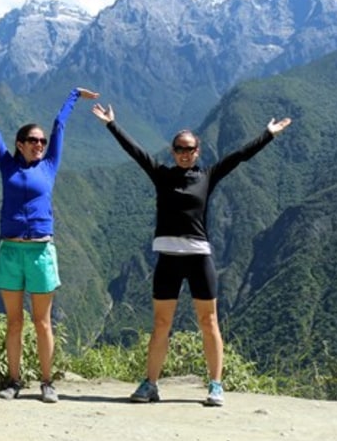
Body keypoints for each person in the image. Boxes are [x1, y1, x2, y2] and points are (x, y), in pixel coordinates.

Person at [90, 102, 292, 406]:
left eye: (190, 148)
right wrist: (111, 125)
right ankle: (150, 384)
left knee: (209, 322)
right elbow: (136, 152)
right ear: (173, 152)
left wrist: (268, 134)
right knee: (161, 324)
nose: (185, 153)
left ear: (198, 151)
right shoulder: (161, 175)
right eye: (179, 148)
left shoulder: (207, 176)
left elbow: (239, 157)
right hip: (168, 258)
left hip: (199, 257)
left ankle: (215, 385)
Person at [0, 87, 100, 403]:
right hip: (12, 251)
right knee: (14, 323)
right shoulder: (7, 165)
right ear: (20, 144)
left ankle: (47, 382)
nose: (40, 145)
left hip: (41, 251)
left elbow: (60, 125)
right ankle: (13, 382)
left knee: (43, 323)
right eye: (33, 141)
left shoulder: (50, 165)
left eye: (42, 142)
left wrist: (73, 96)